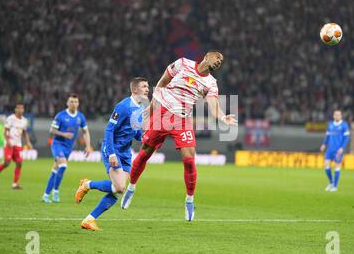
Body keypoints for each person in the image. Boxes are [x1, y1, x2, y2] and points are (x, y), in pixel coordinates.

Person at [121, 51, 237, 221]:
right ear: (207, 56)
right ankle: (131, 187)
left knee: (189, 160)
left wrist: (222, 116)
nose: (220, 61)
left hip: (183, 120)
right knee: (145, 153)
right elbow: (162, 83)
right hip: (163, 113)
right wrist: (152, 107)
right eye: (217, 57)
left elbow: (214, 105)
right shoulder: (182, 63)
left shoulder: (211, 83)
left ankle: (189, 200)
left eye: (221, 61)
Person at [75, 77, 149, 231]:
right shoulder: (123, 106)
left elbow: (134, 132)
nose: (147, 89)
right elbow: (109, 130)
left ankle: (89, 220)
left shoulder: (141, 108)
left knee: (116, 191)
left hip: (126, 153)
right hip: (113, 149)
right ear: (135, 89)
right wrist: (111, 154)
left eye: (148, 86)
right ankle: (87, 184)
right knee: (120, 187)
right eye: (144, 86)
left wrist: (144, 138)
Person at [42, 94, 91, 203]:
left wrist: (88, 146)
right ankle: (55, 192)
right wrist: (64, 134)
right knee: (63, 165)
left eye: (75, 102)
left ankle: (46, 195)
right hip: (57, 144)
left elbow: (85, 131)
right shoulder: (61, 115)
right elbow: (52, 130)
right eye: (71, 102)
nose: (73, 104)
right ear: (67, 103)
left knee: (56, 169)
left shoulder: (80, 117)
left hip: (68, 147)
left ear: (78, 104)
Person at [0, 103, 32, 190]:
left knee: (19, 164)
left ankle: (15, 184)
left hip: (18, 144)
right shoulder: (10, 118)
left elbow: (24, 132)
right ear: (15, 109)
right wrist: (7, 141)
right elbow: (5, 131)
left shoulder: (24, 120)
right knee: (7, 163)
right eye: (18, 108)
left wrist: (28, 142)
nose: (20, 110)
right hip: (10, 143)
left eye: (22, 108)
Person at [320, 110, 350, 192]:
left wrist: (342, 147)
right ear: (333, 116)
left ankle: (335, 186)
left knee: (337, 166)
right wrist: (324, 144)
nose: (336, 116)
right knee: (326, 165)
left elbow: (346, 138)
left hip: (338, 150)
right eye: (335, 115)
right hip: (330, 149)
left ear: (341, 116)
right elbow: (327, 136)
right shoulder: (330, 125)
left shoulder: (344, 125)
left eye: (338, 115)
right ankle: (331, 182)